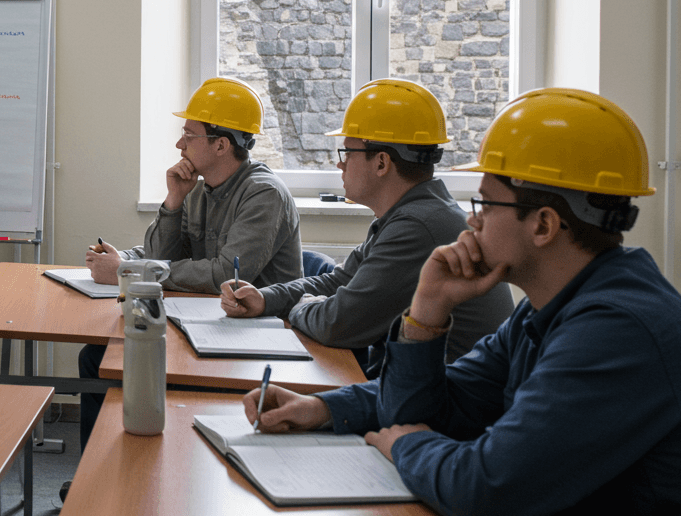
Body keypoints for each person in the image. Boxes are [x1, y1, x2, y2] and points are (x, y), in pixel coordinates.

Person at [244, 88, 681, 514]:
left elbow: (488, 486)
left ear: (544, 226)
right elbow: (445, 399)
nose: (471, 220)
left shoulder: (618, 330)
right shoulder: (547, 308)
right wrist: (423, 314)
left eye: (485, 204)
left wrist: (406, 445)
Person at [220, 78, 514, 377]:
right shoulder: (409, 214)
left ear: (381, 163)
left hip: (446, 399)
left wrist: (300, 306)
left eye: (348, 153)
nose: (341, 164)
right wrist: (266, 298)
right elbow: (339, 281)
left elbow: (336, 324)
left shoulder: (416, 227)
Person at [77, 77, 301, 451]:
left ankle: (132, 465)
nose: (179, 145)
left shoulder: (264, 194)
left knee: (117, 360)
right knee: (96, 357)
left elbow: (223, 275)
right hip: (208, 325)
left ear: (221, 144)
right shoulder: (197, 188)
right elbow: (164, 257)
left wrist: (127, 271)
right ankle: (97, 471)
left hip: (253, 336)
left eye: (188, 135)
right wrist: (174, 200)